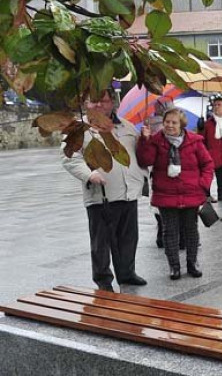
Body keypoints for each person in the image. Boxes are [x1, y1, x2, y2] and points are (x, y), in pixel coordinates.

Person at [62, 89, 149, 292]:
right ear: (86, 104)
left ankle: (127, 273)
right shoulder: (78, 129)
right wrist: (89, 175)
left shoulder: (126, 126)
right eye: (94, 101)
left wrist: (146, 140)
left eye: (104, 101)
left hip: (128, 192)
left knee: (128, 237)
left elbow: (138, 155)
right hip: (101, 194)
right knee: (101, 241)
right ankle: (103, 280)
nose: (99, 105)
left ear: (113, 103)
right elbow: (69, 158)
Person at [138, 108, 214, 280]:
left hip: (191, 193)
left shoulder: (195, 141)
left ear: (182, 125)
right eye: (167, 122)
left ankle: (192, 263)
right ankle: (174, 266)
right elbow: (145, 160)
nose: (170, 125)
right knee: (169, 232)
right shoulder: (156, 141)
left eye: (174, 122)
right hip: (167, 194)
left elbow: (208, 165)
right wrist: (145, 140)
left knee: (191, 230)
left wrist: (203, 185)